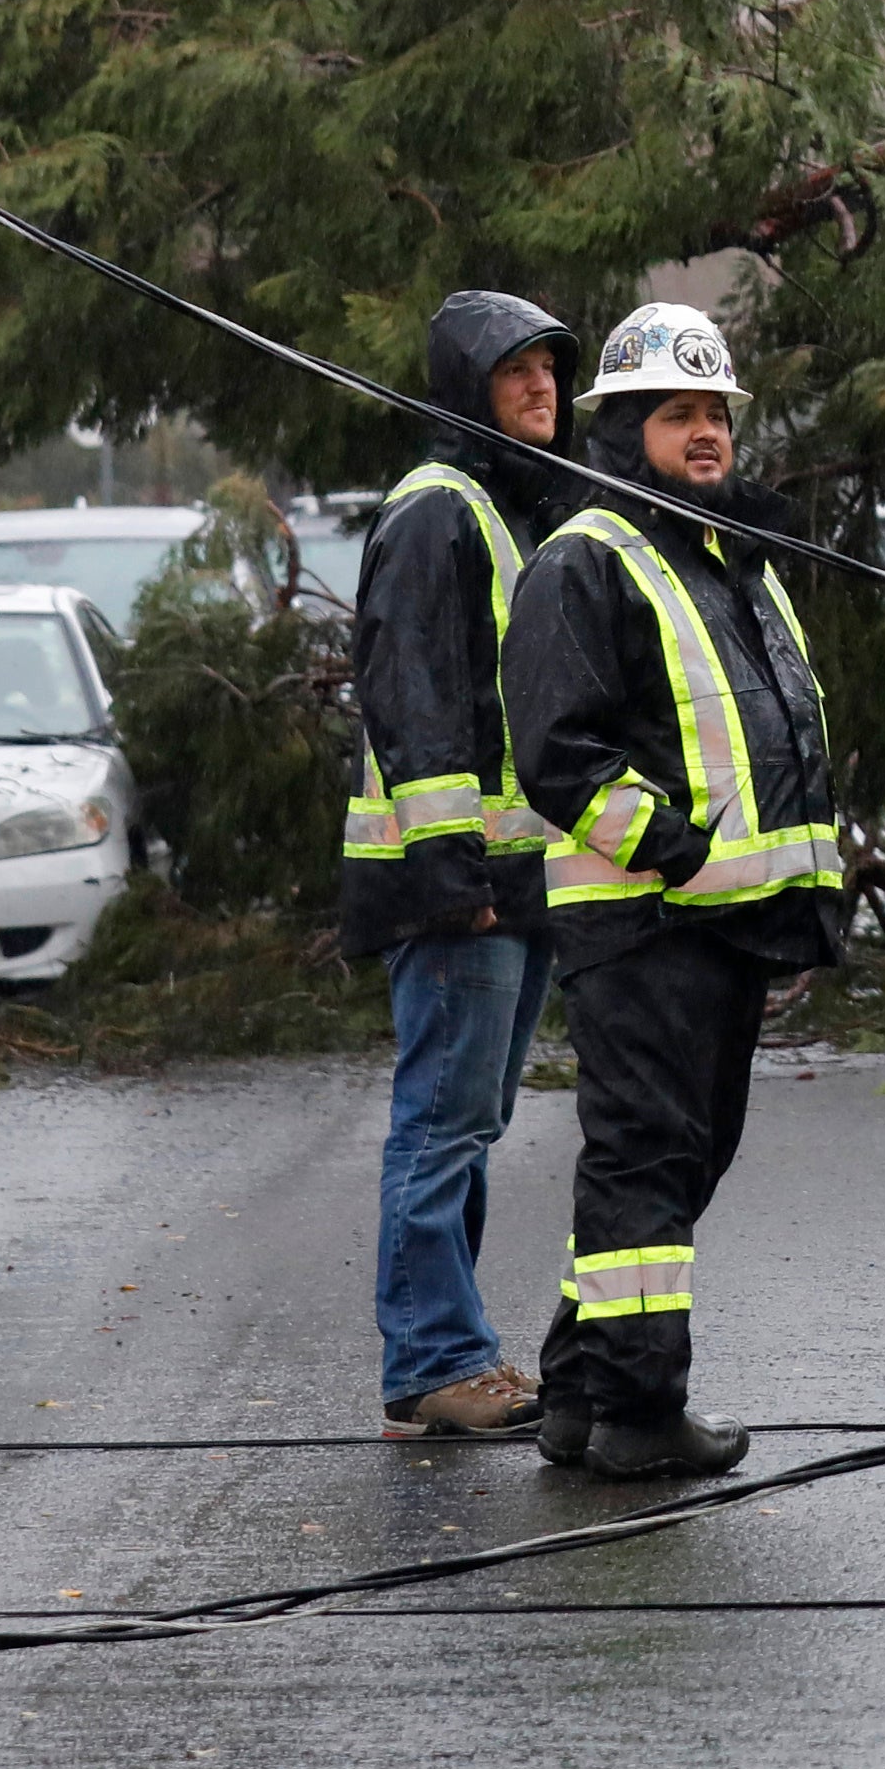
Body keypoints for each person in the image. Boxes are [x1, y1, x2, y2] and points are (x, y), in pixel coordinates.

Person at [501, 300, 845, 1478]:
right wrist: (676, 850)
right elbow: (560, 752)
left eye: (716, 412)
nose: (706, 433)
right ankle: (642, 1416)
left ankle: (574, 1393)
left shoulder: (724, 558)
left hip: (729, 923)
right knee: (648, 1160)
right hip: (645, 919)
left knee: (675, 1161)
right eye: (678, 412)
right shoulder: (587, 557)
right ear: (625, 424)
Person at [338, 292, 575, 1440]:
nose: (541, 387)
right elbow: (413, 688)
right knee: (442, 1121)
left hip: (508, 879)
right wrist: (449, 865)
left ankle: (456, 1348)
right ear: (465, 386)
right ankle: (433, 1358)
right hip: (461, 885)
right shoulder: (440, 510)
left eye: (549, 369)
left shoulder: (502, 507)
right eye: (515, 370)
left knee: (467, 1122)